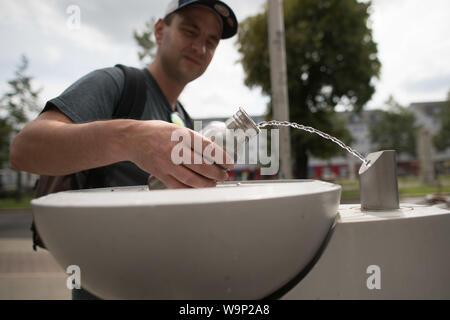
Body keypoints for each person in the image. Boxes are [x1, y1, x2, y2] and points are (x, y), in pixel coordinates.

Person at [9, 0, 238, 299]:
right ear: (160, 30)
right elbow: (25, 148)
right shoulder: (117, 83)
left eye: (211, 41)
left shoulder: (183, 117)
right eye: (190, 30)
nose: (200, 47)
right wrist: (130, 139)